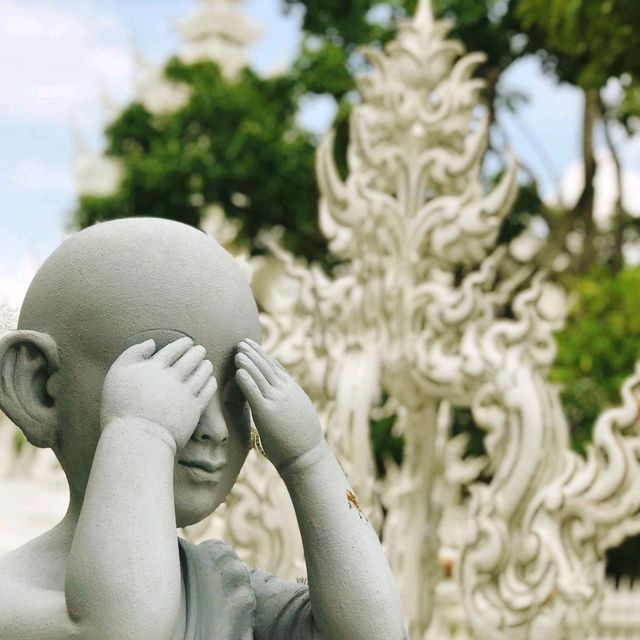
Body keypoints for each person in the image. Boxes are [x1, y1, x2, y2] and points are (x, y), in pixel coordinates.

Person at [0, 218, 407, 640]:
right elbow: (120, 628)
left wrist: (307, 457)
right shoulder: (12, 596)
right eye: (173, 380)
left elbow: (374, 632)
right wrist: (142, 430)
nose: (215, 428)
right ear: (38, 388)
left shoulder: (224, 589)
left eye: (235, 399)